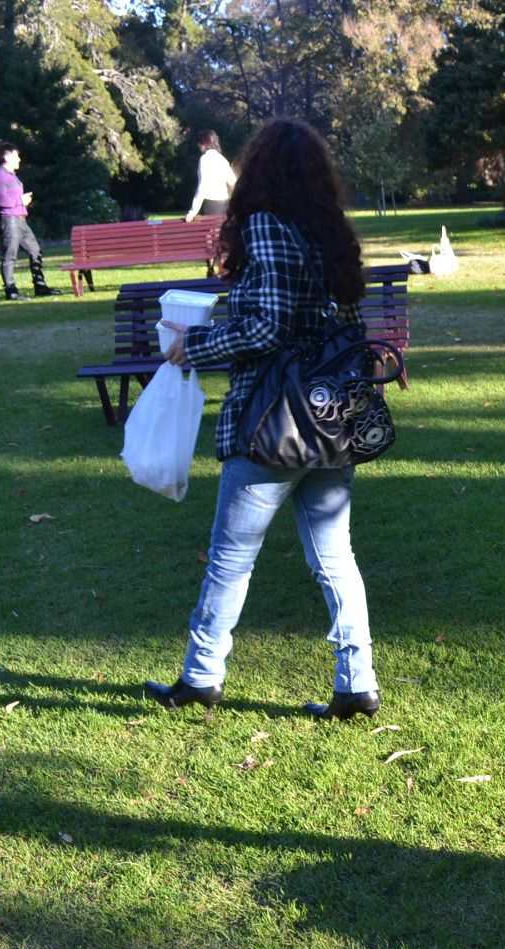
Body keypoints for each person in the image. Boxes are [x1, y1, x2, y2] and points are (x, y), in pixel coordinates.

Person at [145, 118, 381, 722]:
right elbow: (306, 316)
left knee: (231, 558)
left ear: (262, 170)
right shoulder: (327, 233)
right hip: (331, 418)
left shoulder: (267, 226)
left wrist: (192, 347)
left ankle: (201, 677)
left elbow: (269, 327)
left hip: (274, 423)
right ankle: (357, 683)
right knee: (336, 559)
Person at [0, 145, 54, 301]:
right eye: (16, 156)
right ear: (7, 157)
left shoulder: (12, 176)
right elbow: (1, 201)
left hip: (21, 220)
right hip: (10, 221)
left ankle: (40, 286)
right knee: (10, 256)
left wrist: (22, 202)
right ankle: (11, 291)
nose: (19, 159)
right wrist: (21, 200)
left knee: (35, 251)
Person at [184, 130, 236, 222]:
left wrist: (192, 212)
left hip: (210, 206)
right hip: (224, 206)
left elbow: (202, 187)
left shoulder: (204, 159)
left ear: (203, 144)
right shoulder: (222, 160)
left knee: (209, 235)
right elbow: (234, 183)